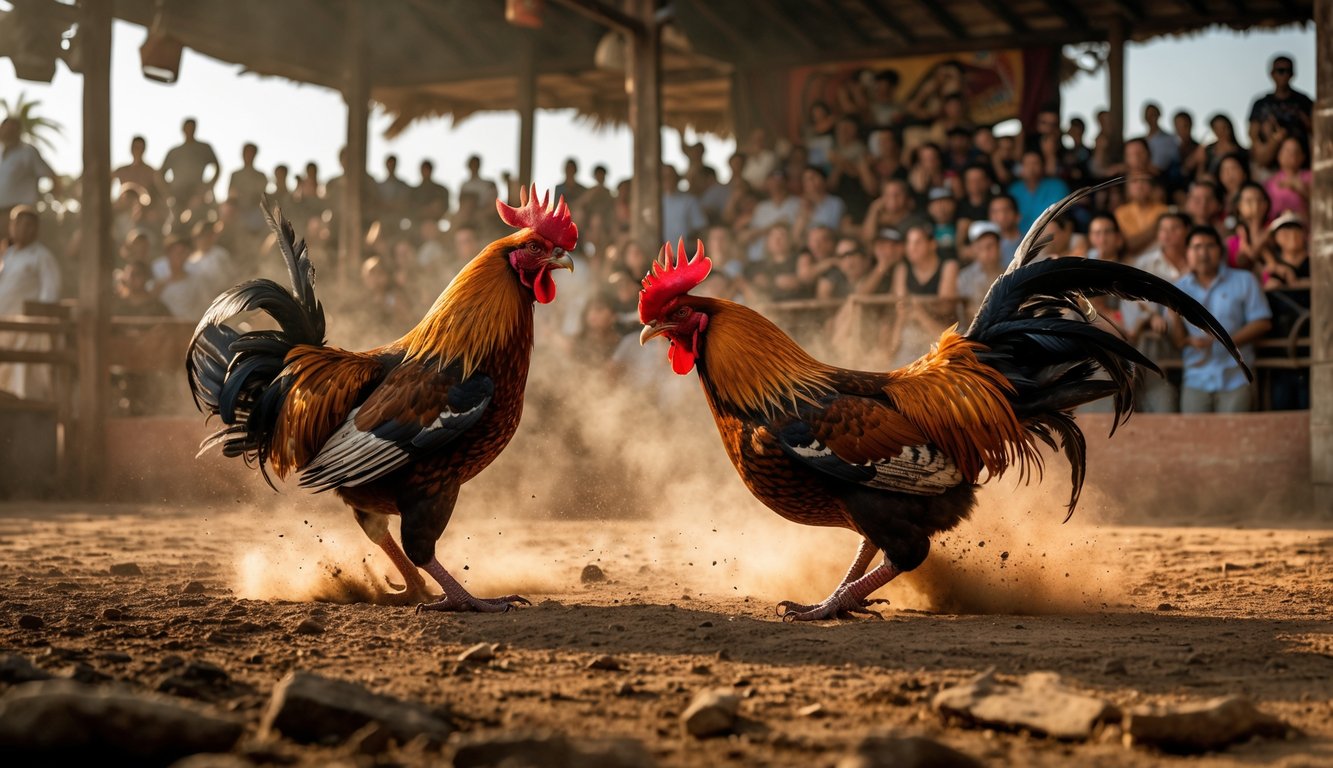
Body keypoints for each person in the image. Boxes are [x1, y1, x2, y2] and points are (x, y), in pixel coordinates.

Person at [1168, 226, 1271, 413]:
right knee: (1194, 439)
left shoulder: (1244, 280)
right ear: (1188, 253)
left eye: (1209, 246)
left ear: (1221, 251)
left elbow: (1262, 322)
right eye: (1197, 247)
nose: (1203, 253)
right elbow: (1177, 340)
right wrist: (1174, 319)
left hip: (1237, 377)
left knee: (1236, 437)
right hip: (1195, 377)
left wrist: (1222, 340)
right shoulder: (1177, 289)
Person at [0, 206, 61, 398]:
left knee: (24, 382)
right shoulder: (7, 255)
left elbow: (50, 293)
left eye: (28, 225)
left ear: (36, 228)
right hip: (4, 328)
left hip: (28, 331)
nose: (22, 229)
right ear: (11, 226)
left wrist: (38, 326)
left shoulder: (42, 256)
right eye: (18, 223)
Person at [1248, 55, 1313, 171]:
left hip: (1300, 166)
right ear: (1272, 74)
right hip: (1269, 167)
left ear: (1293, 74)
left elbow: (1315, 130)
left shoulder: (1304, 101)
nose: (1284, 74)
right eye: (1280, 71)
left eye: (1288, 71)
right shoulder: (1261, 103)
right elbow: (1253, 134)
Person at [0, 117, 58, 221]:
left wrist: (51, 199)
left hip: (21, 214)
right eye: (5, 129)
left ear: (18, 131)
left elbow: (52, 176)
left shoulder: (28, 152)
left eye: (11, 130)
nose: (7, 132)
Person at [160, 118, 219, 207]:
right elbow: (160, 174)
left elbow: (217, 167)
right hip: (178, 194)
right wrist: (168, 192)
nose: (190, 130)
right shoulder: (174, 152)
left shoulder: (204, 148)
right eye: (187, 128)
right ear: (183, 129)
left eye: (192, 128)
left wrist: (208, 187)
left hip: (198, 193)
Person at [1007, 149, 1070, 233]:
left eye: (1035, 163)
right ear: (1021, 168)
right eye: (1027, 164)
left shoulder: (1058, 186)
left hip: (1050, 236)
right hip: (1020, 240)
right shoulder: (1014, 189)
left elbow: (1060, 216)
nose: (1031, 168)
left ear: (1043, 166)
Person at [957, 221, 1003, 322]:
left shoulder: (1010, 273)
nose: (986, 252)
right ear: (974, 249)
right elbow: (964, 312)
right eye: (980, 247)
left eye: (990, 246)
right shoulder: (964, 277)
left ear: (999, 247)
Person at [1114, 175, 1168, 258]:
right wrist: (1155, 227)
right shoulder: (1120, 212)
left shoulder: (1163, 210)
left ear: (1151, 186)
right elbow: (1127, 245)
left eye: (1144, 181)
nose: (1139, 186)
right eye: (1134, 181)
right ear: (1127, 188)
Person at [1263, 136, 1311, 220]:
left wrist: (1301, 189)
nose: (1290, 155)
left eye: (1295, 151)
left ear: (1303, 157)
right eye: (1286, 150)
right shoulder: (1269, 183)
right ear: (1279, 155)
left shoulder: (1311, 177)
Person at [660, 164, 707, 245]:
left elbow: (701, 228)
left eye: (670, 176)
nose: (667, 179)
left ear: (677, 178)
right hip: (658, 252)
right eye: (663, 177)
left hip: (685, 252)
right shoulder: (653, 203)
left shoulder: (690, 201)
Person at [987, 194, 1022, 268]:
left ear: (1017, 215)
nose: (1001, 216)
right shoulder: (985, 247)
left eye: (1006, 210)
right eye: (995, 212)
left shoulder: (1031, 242)